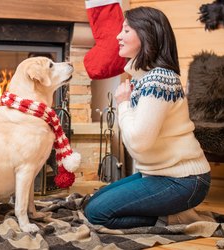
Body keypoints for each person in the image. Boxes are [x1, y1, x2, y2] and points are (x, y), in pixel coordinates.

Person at [84, 6, 211, 229]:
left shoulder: (159, 79)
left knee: (97, 214)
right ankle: (168, 211)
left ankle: (176, 219)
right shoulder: (145, 79)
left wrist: (123, 104)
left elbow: (139, 144)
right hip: (157, 175)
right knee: (93, 202)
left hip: (183, 180)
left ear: (145, 34)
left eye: (125, 31)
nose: (118, 36)